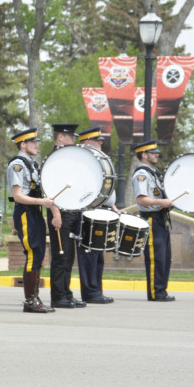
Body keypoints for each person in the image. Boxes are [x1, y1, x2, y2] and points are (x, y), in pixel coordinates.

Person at [7, 128, 57, 313]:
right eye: (33, 142)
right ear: (23, 144)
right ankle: (30, 300)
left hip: (35, 212)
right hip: (25, 212)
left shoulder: (31, 164)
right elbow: (18, 196)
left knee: (38, 254)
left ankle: (34, 297)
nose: (37, 145)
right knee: (33, 253)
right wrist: (42, 202)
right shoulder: (18, 165)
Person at [46, 123, 86, 309]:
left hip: (71, 212)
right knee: (61, 255)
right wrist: (55, 213)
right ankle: (58, 296)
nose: (74, 140)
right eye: (71, 137)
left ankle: (66, 293)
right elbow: (48, 190)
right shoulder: (53, 160)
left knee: (69, 256)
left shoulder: (67, 160)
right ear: (61, 137)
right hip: (59, 212)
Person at [76, 127, 117, 304]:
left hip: (101, 211)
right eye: (97, 140)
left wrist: (113, 205)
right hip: (88, 213)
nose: (101, 143)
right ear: (87, 143)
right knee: (89, 254)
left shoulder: (98, 162)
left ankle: (97, 290)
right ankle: (90, 292)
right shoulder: (82, 164)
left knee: (98, 255)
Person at [132, 140, 175, 302]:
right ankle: (156, 292)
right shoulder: (141, 175)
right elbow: (142, 200)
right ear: (144, 155)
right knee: (155, 257)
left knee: (164, 256)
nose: (157, 154)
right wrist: (161, 202)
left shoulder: (153, 172)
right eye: (153, 152)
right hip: (150, 219)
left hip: (160, 219)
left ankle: (161, 290)